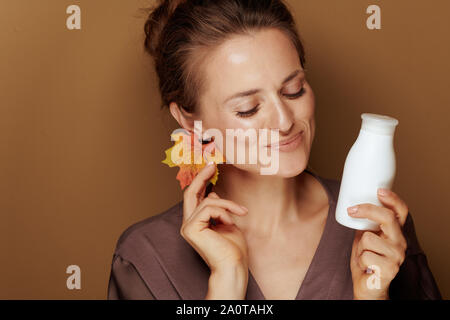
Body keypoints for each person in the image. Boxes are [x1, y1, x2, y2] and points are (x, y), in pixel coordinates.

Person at [107, 0, 441, 300]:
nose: (284, 122)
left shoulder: (377, 228)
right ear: (187, 117)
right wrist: (226, 285)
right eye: (249, 108)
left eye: (294, 90)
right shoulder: (145, 259)